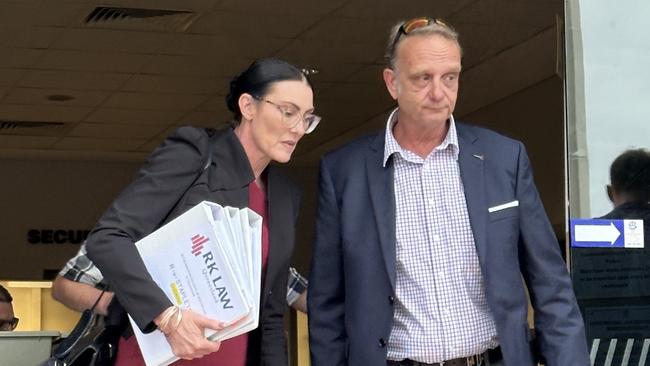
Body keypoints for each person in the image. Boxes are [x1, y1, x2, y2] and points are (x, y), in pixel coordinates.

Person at [307, 17, 590, 366]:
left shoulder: (503, 158)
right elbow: (326, 305)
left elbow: (551, 286)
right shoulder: (344, 172)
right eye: (423, 78)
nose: (439, 92)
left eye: (450, 77)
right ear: (392, 82)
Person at [84, 58, 320, 366]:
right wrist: (167, 317)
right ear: (248, 106)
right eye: (288, 112)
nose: (299, 128)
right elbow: (107, 238)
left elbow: (272, 313)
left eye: (308, 118)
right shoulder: (195, 154)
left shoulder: (285, 195)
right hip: (160, 355)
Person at [52, 244, 308, 315]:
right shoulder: (136, 223)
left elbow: (299, 293)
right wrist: (124, 307)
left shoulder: (239, 234)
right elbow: (64, 286)